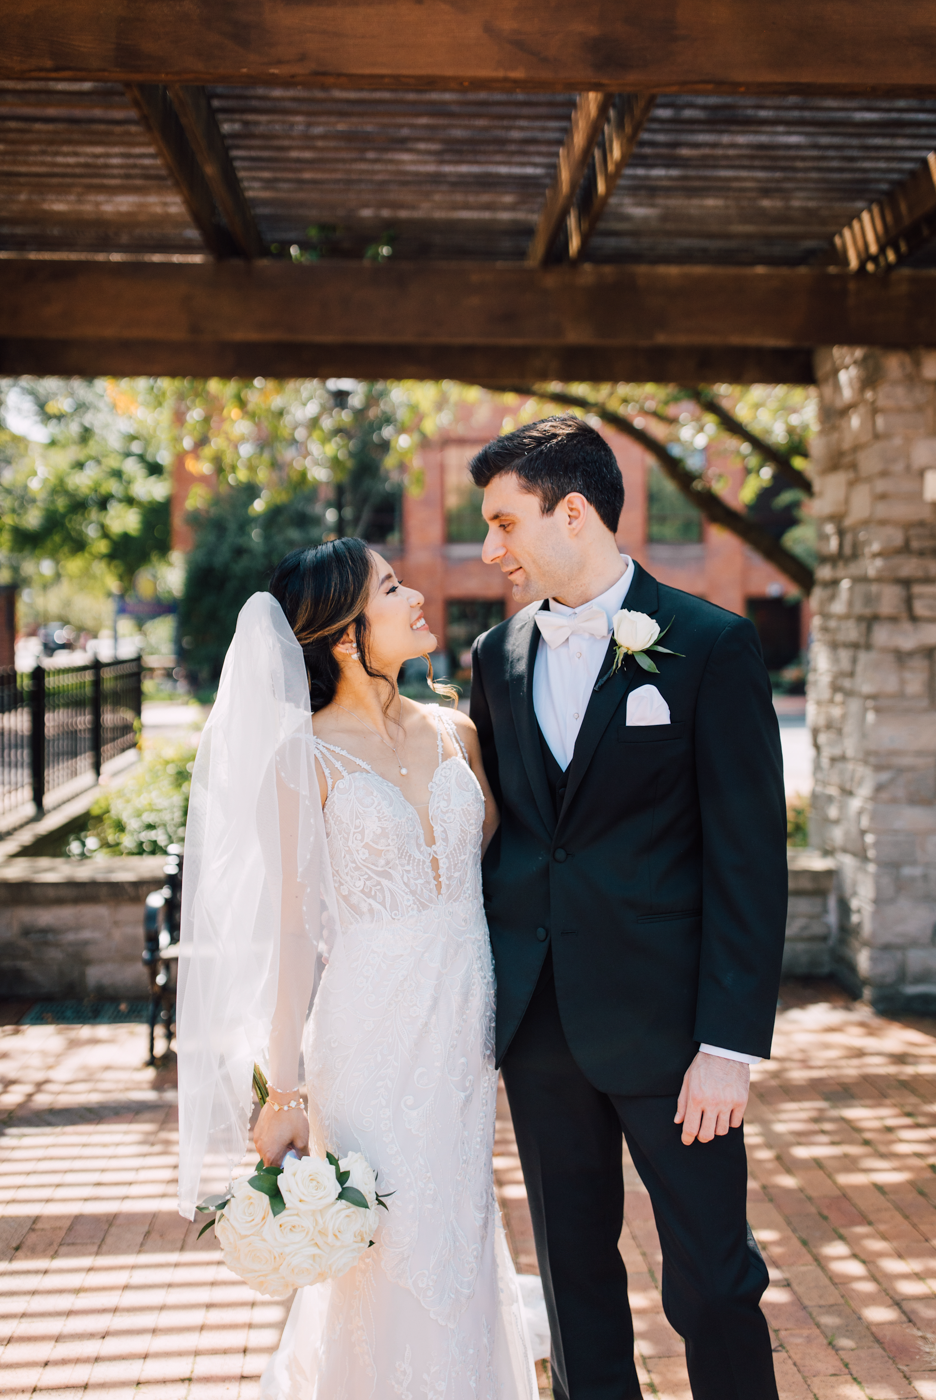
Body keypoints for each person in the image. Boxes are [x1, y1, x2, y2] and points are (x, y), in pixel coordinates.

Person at [467, 416, 787, 1400]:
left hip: (674, 1033)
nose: (491, 549)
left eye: (503, 521)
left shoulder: (711, 645)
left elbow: (749, 859)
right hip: (541, 1022)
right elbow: (513, 836)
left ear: (574, 511)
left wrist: (729, 1045)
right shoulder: (494, 654)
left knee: (712, 1278)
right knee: (574, 1278)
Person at [176, 538, 538, 1400]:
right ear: (346, 633)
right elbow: (295, 937)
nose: (416, 595)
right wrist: (286, 1094)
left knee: (457, 1227)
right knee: (388, 1243)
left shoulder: (457, 730)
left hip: (461, 1033)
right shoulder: (300, 759)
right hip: (368, 1037)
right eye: (391, 586)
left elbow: (499, 867)